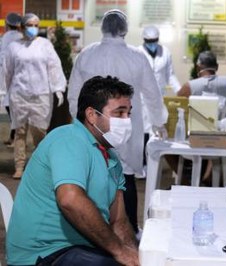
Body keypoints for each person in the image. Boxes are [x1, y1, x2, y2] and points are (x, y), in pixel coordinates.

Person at [6, 76, 139, 266]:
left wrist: (134, 256)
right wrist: (120, 252)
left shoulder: (112, 158)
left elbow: (118, 220)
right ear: (92, 115)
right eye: (119, 113)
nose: (127, 121)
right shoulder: (69, 139)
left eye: (129, 113)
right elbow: (70, 199)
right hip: (44, 255)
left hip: (81, 249)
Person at [68, 9, 168, 239]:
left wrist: (79, 124)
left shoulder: (87, 54)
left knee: (93, 174)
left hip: (94, 125)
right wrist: (159, 122)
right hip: (126, 125)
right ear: (125, 30)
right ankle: (130, 230)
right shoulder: (137, 56)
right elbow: (152, 94)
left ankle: (93, 231)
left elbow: (73, 94)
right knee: (127, 176)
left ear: (103, 28)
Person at [3, 13, 66, 179]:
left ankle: (39, 165)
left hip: (41, 95)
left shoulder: (44, 45)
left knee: (40, 132)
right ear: (22, 27)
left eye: (36, 25)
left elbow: (54, 67)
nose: (34, 28)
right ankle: (19, 166)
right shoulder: (13, 47)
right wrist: (6, 92)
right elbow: (7, 71)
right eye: (30, 25)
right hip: (19, 94)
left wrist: (58, 88)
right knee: (20, 132)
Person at [138, 25, 181, 178]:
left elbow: (170, 75)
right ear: (144, 40)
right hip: (141, 99)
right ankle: (141, 165)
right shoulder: (137, 52)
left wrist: (180, 91)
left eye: (154, 40)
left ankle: (153, 165)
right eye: (149, 41)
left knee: (156, 132)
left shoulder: (166, 53)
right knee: (141, 134)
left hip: (158, 99)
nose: (152, 43)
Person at [177, 50, 226, 118]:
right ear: (217, 67)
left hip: (199, 128)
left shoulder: (189, 86)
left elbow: (176, 105)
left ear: (198, 67)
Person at [0, 12, 23, 147]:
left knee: (10, 105)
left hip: (9, 75)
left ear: (7, 24)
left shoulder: (6, 37)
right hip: (20, 75)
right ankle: (14, 135)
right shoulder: (22, 36)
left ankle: (16, 137)